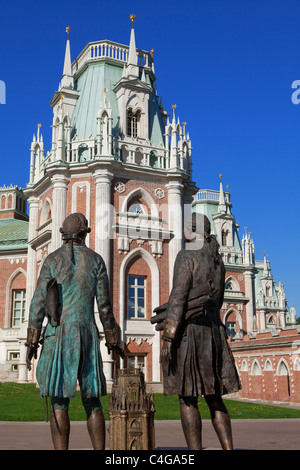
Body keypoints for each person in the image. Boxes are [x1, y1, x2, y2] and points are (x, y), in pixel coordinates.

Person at [26, 213, 123, 450]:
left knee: (59, 401)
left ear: (63, 234)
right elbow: (105, 306)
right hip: (87, 335)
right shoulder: (96, 260)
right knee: (92, 401)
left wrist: (32, 340)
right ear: (84, 233)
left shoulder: (52, 260)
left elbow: (38, 302)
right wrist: (112, 337)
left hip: (58, 335)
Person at [151, 213, 241, 450]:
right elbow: (219, 300)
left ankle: (195, 452)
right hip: (214, 332)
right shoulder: (217, 261)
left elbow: (178, 299)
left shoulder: (186, 255)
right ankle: (228, 448)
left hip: (190, 333)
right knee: (215, 397)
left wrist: (169, 337)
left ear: (192, 231)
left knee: (188, 397)